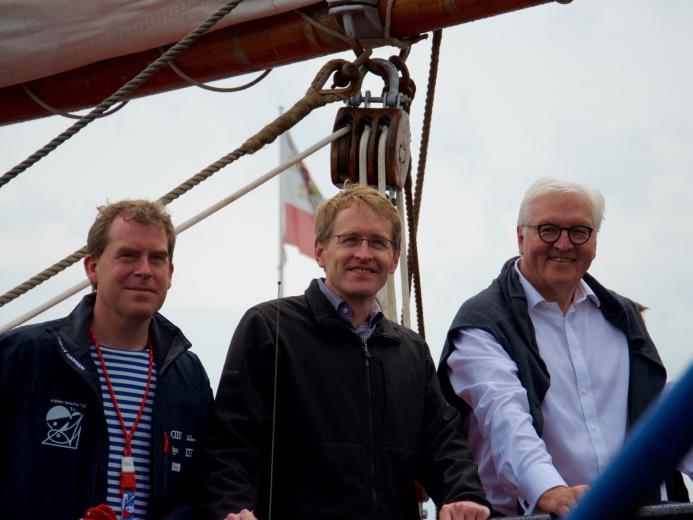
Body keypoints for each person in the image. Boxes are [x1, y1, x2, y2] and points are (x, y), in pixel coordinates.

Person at [200, 185, 491, 520]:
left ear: (395, 258)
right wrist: (232, 508)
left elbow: (443, 444)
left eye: (378, 243)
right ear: (321, 251)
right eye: (350, 239)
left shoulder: (411, 351)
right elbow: (231, 441)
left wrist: (463, 494)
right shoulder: (270, 328)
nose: (364, 254)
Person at [438, 177, 690, 516]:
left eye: (579, 231)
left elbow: (659, 405)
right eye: (548, 230)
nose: (564, 243)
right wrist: (549, 489)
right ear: (520, 236)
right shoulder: (482, 324)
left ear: (595, 241)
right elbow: (504, 416)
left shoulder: (621, 317)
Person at [0, 200, 213, 520]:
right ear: (92, 268)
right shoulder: (23, 356)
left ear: (169, 274)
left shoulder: (188, 374)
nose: (144, 270)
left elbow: (202, 487)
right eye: (128, 255)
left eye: (157, 258)